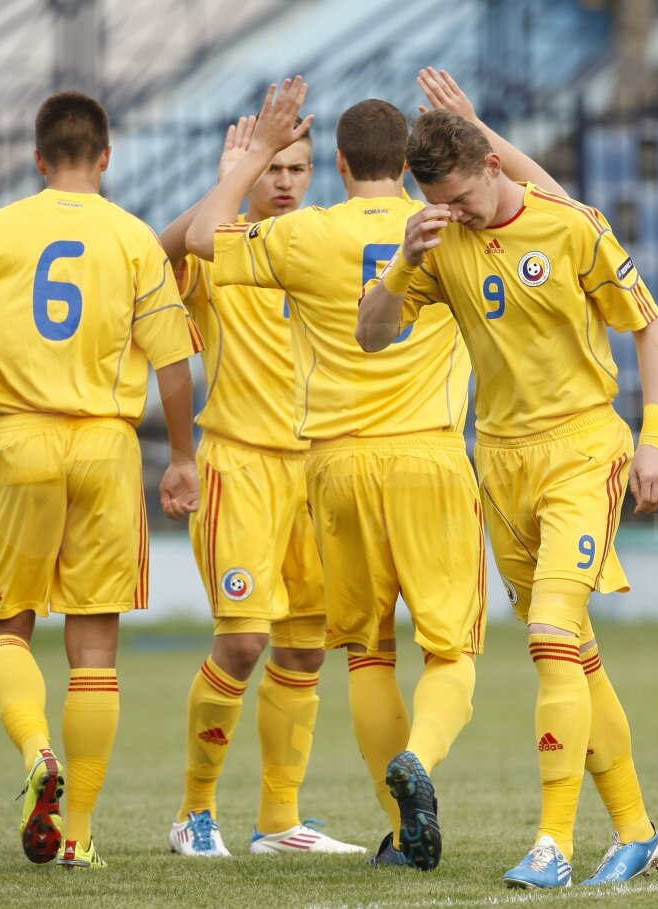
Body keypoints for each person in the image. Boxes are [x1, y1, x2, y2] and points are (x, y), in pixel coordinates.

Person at [357, 70, 658, 890]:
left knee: (548, 637)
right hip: (499, 464)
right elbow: (371, 337)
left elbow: (652, 328)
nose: (455, 212)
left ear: (493, 168)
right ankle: (637, 832)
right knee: (575, 655)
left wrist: (655, 440)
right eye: (442, 201)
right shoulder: (438, 240)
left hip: (582, 450)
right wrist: (400, 262)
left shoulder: (571, 229)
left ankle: (554, 843)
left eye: (463, 196)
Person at [185, 77, 486, 872]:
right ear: (414, 163)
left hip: (335, 462)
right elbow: (550, 205)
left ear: (340, 165)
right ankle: (417, 761)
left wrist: (247, 160)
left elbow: (203, 236)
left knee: (364, 652)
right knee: (451, 652)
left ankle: (396, 824)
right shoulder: (459, 226)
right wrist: (473, 132)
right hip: (428, 455)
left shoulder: (307, 235)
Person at [0, 90, 202, 870]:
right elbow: (175, 365)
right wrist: (182, 455)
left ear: (38, 156)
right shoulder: (132, 238)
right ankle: (78, 833)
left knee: (4, 624)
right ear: (107, 157)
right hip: (108, 447)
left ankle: (35, 748)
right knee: (94, 651)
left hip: (18, 439)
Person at [157, 115, 363, 858]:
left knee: (306, 649)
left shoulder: (322, 251)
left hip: (316, 470)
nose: (283, 182)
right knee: (243, 640)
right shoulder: (222, 248)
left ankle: (279, 819)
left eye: (296, 169)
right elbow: (159, 252)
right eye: (271, 169)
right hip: (240, 466)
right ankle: (194, 811)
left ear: (317, 175)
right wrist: (227, 180)